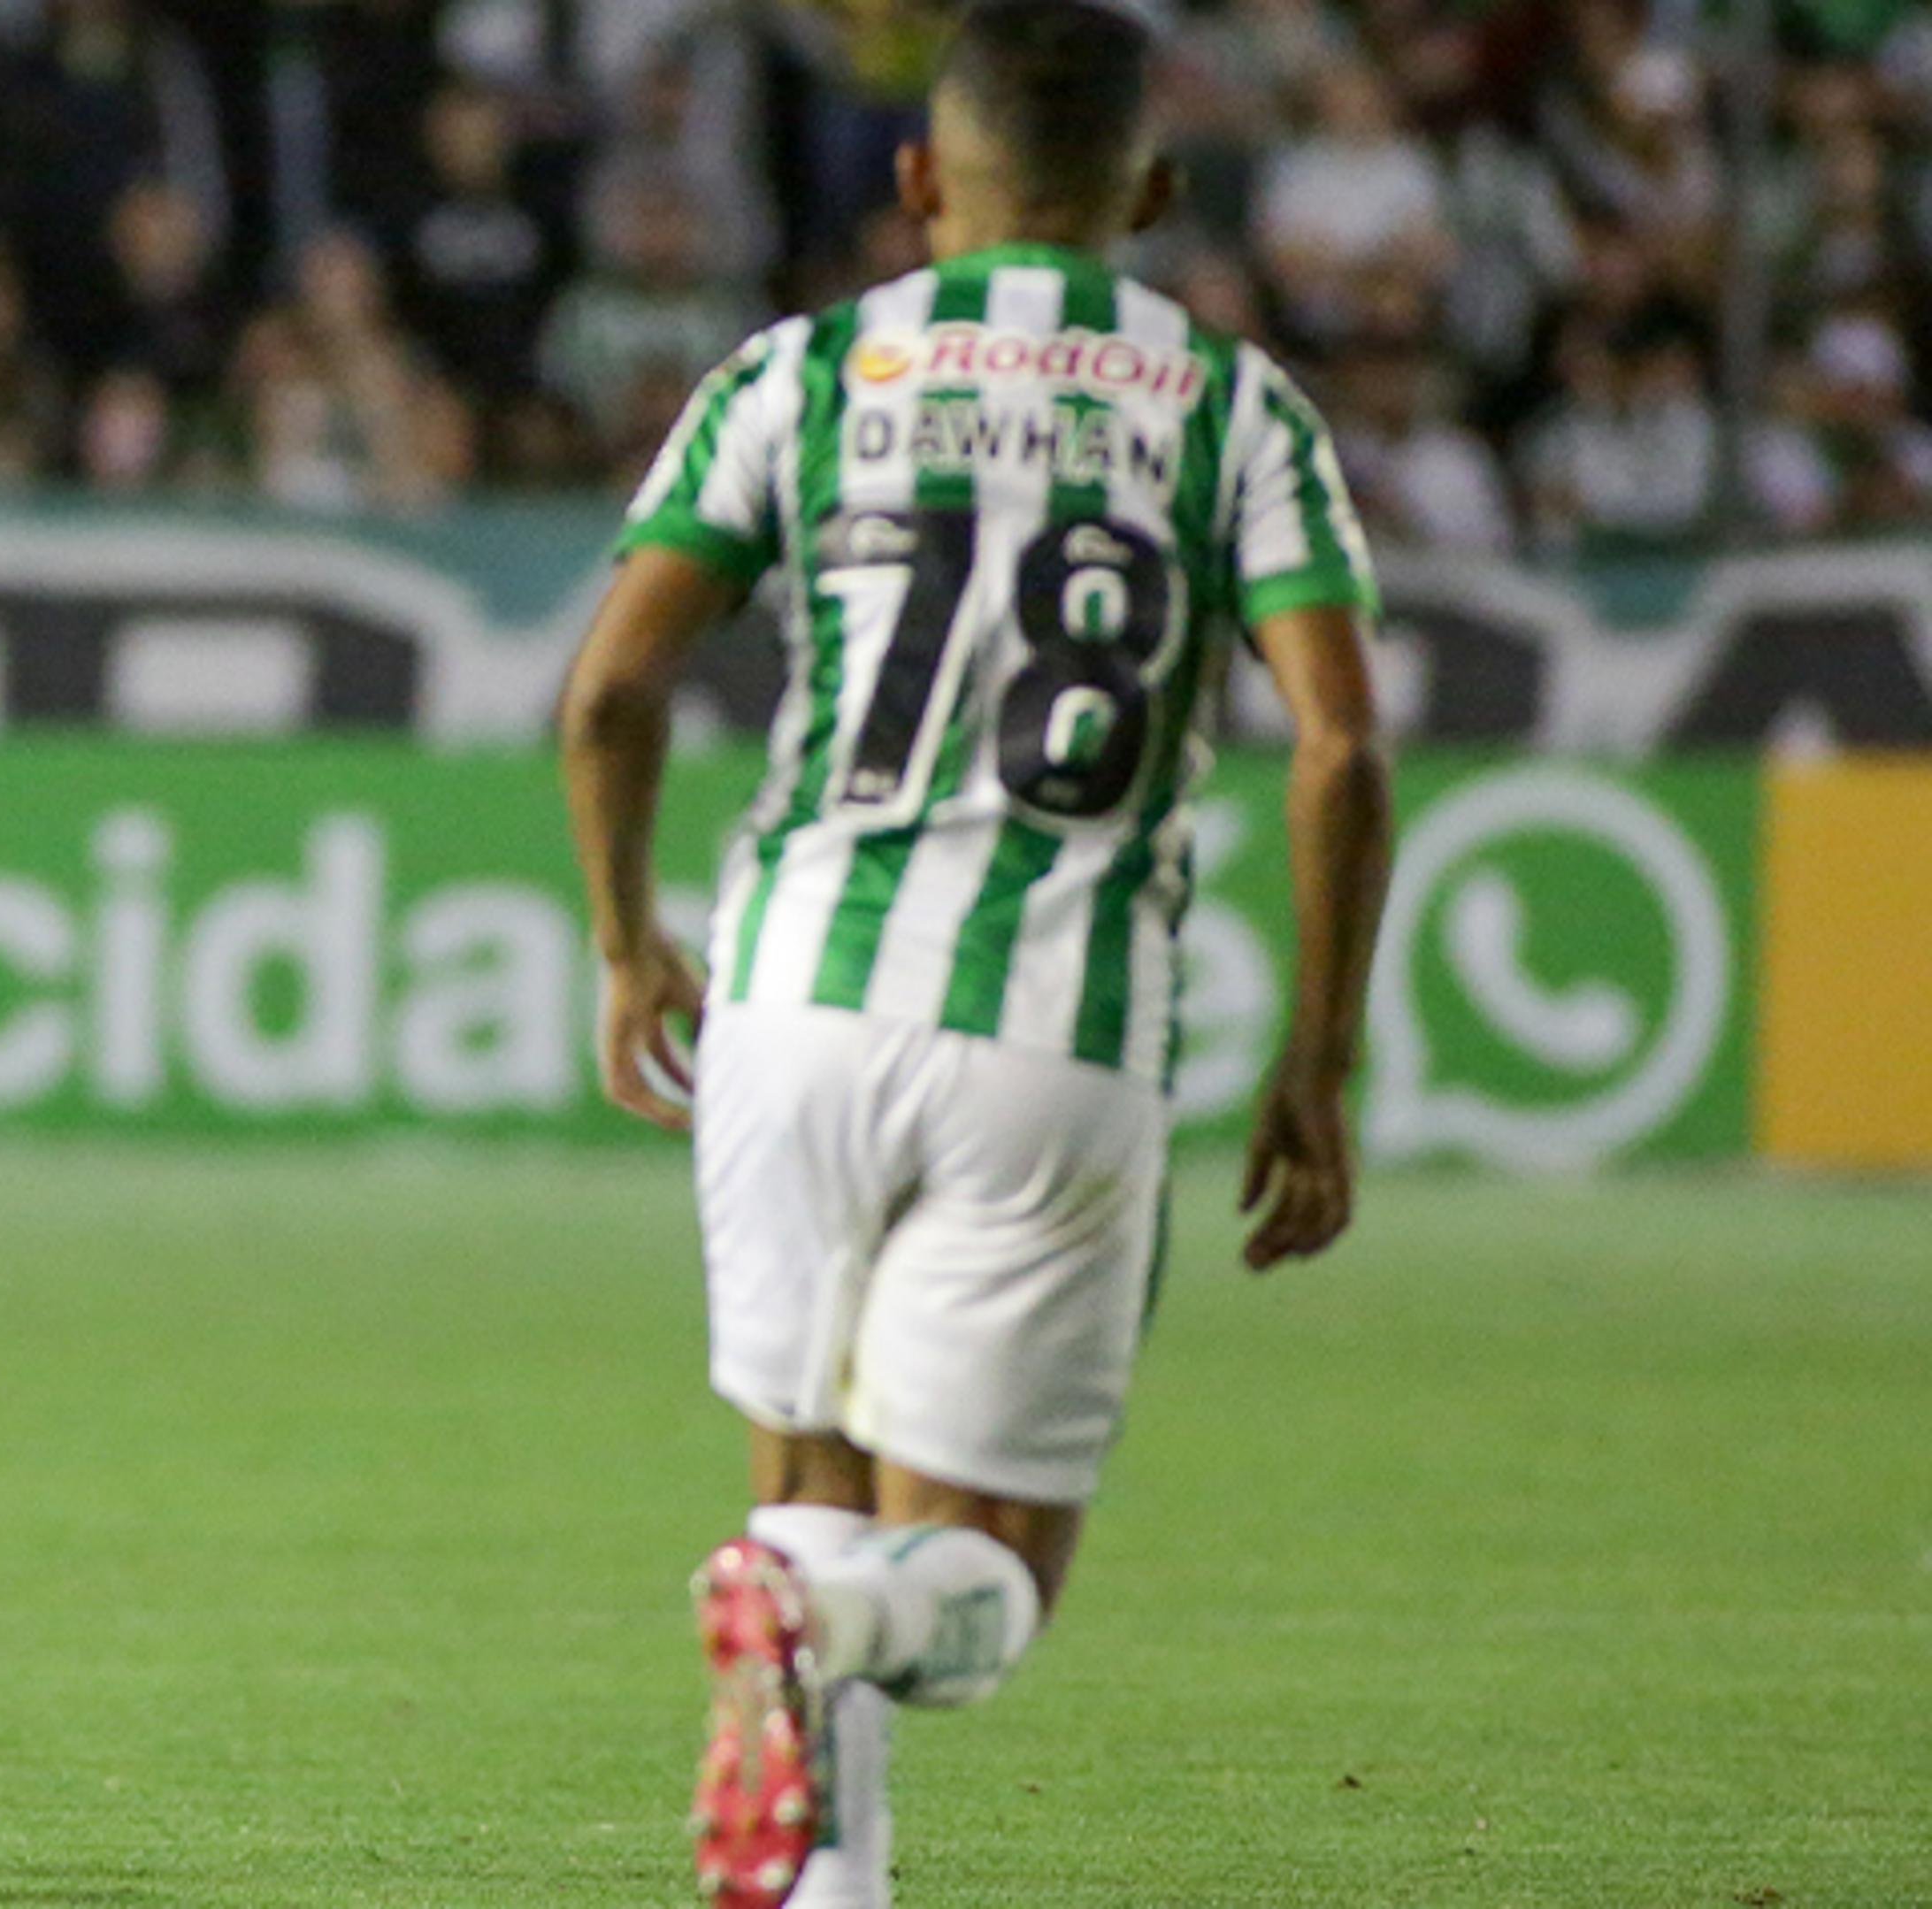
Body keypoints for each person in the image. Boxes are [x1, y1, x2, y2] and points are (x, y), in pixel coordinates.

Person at [553, 6, 1391, 1905]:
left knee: (812, 1525)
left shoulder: (806, 371)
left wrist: (626, 943)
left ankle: (811, 1814)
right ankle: (805, 1644)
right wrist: (1320, 1059)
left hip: (786, 1004)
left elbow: (611, 686)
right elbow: (1340, 744)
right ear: (1156, 195)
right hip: (1052, 1023)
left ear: (922, 180)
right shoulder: (1236, 407)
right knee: (977, 1591)